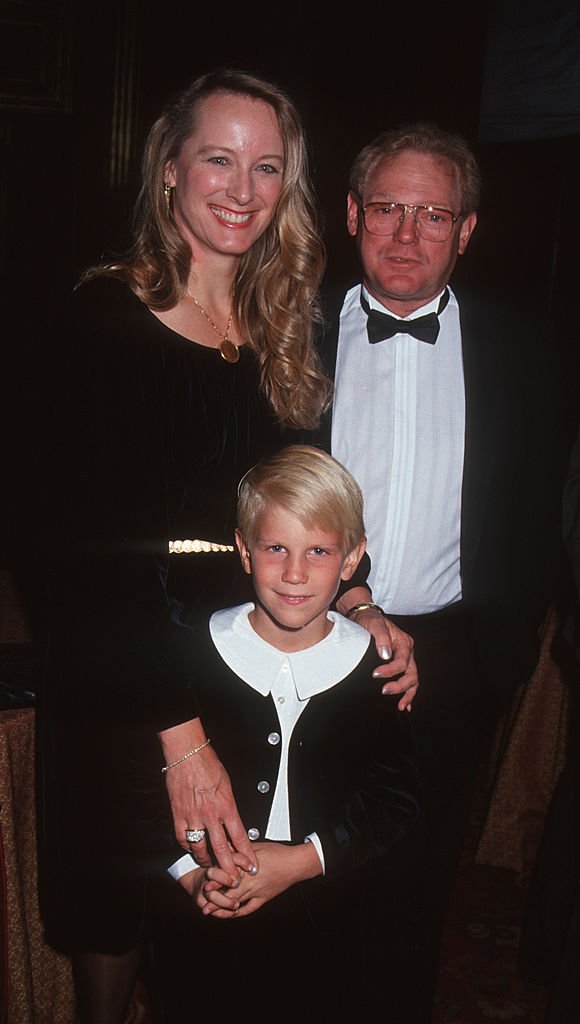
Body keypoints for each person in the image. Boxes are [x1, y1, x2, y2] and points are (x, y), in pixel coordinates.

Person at [34, 71, 416, 1024]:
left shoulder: (288, 333)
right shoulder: (97, 323)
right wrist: (177, 733)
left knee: (217, 928)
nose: (242, 188)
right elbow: (71, 561)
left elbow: (310, 512)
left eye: (267, 167)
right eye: (218, 158)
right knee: (118, 919)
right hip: (124, 671)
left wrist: (359, 603)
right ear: (169, 172)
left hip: (244, 654)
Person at [315, 122, 561, 1021]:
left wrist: (496, 655)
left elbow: (543, 507)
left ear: (466, 231)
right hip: (303, 643)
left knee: (416, 888)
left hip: (452, 660)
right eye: (387, 207)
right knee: (299, 870)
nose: (406, 233)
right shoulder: (286, 333)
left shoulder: (525, 352)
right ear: (351, 214)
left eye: (432, 214)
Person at [146, 445, 420, 1019]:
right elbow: (148, 786)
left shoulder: (379, 667)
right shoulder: (189, 654)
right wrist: (191, 877)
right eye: (276, 548)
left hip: (330, 929)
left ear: (352, 560)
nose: (295, 574)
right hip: (203, 927)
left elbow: (393, 799)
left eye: (319, 551)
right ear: (244, 551)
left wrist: (304, 860)